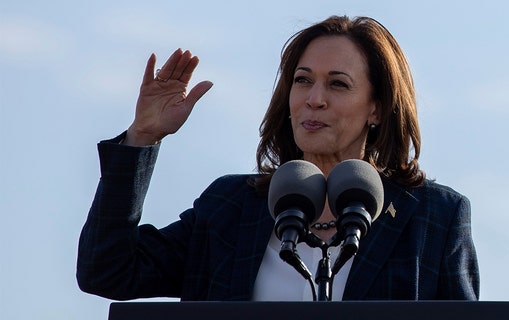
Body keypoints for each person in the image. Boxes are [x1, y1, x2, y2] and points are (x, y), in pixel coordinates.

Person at [77, 15, 479, 302]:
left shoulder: (435, 218)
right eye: (302, 80)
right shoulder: (230, 207)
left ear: (376, 108)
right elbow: (108, 269)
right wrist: (142, 137)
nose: (313, 99)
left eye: (338, 84)